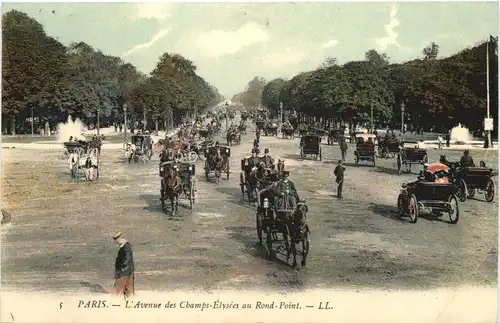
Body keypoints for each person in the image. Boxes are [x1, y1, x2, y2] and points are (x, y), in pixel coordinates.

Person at [112, 232, 135, 299]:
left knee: (116, 291)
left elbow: (126, 260)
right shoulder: (126, 246)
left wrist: (121, 271)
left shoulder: (126, 247)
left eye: (117, 240)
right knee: (129, 291)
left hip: (124, 273)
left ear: (121, 238)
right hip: (129, 271)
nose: (116, 242)